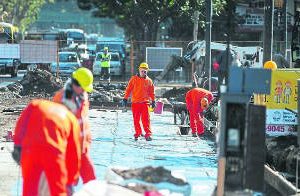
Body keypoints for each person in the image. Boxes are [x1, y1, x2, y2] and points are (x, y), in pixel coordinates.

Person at [12, 99, 81, 196]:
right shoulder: (71, 119)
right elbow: (73, 153)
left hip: (30, 151)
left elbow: (21, 124)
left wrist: (17, 145)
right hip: (53, 154)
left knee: (29, 190)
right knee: (57, 191)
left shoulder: (36, 104)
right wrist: (70, 181)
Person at [53, 67, 96, 184]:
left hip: (83, 148)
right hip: (68, 150)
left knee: (91, 180)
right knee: (68, 183)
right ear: (76, 85)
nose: (84, 91)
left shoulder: (83, 95)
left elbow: (83, 121)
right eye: (83, 88)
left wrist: (87, 141)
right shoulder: (61, 100)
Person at [122, 62, 155, 141]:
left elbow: (152, 92)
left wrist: (153, 101)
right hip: (135, 103)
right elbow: (128, 89)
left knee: (146, 120)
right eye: (142, 71)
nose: (144, 72)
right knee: (136, 120)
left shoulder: (149, 81)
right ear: (139, 70)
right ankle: (138, 133)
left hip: (145, 103)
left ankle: (148, 134)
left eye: (145, 71)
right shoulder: (134, 79)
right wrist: (125, 98)